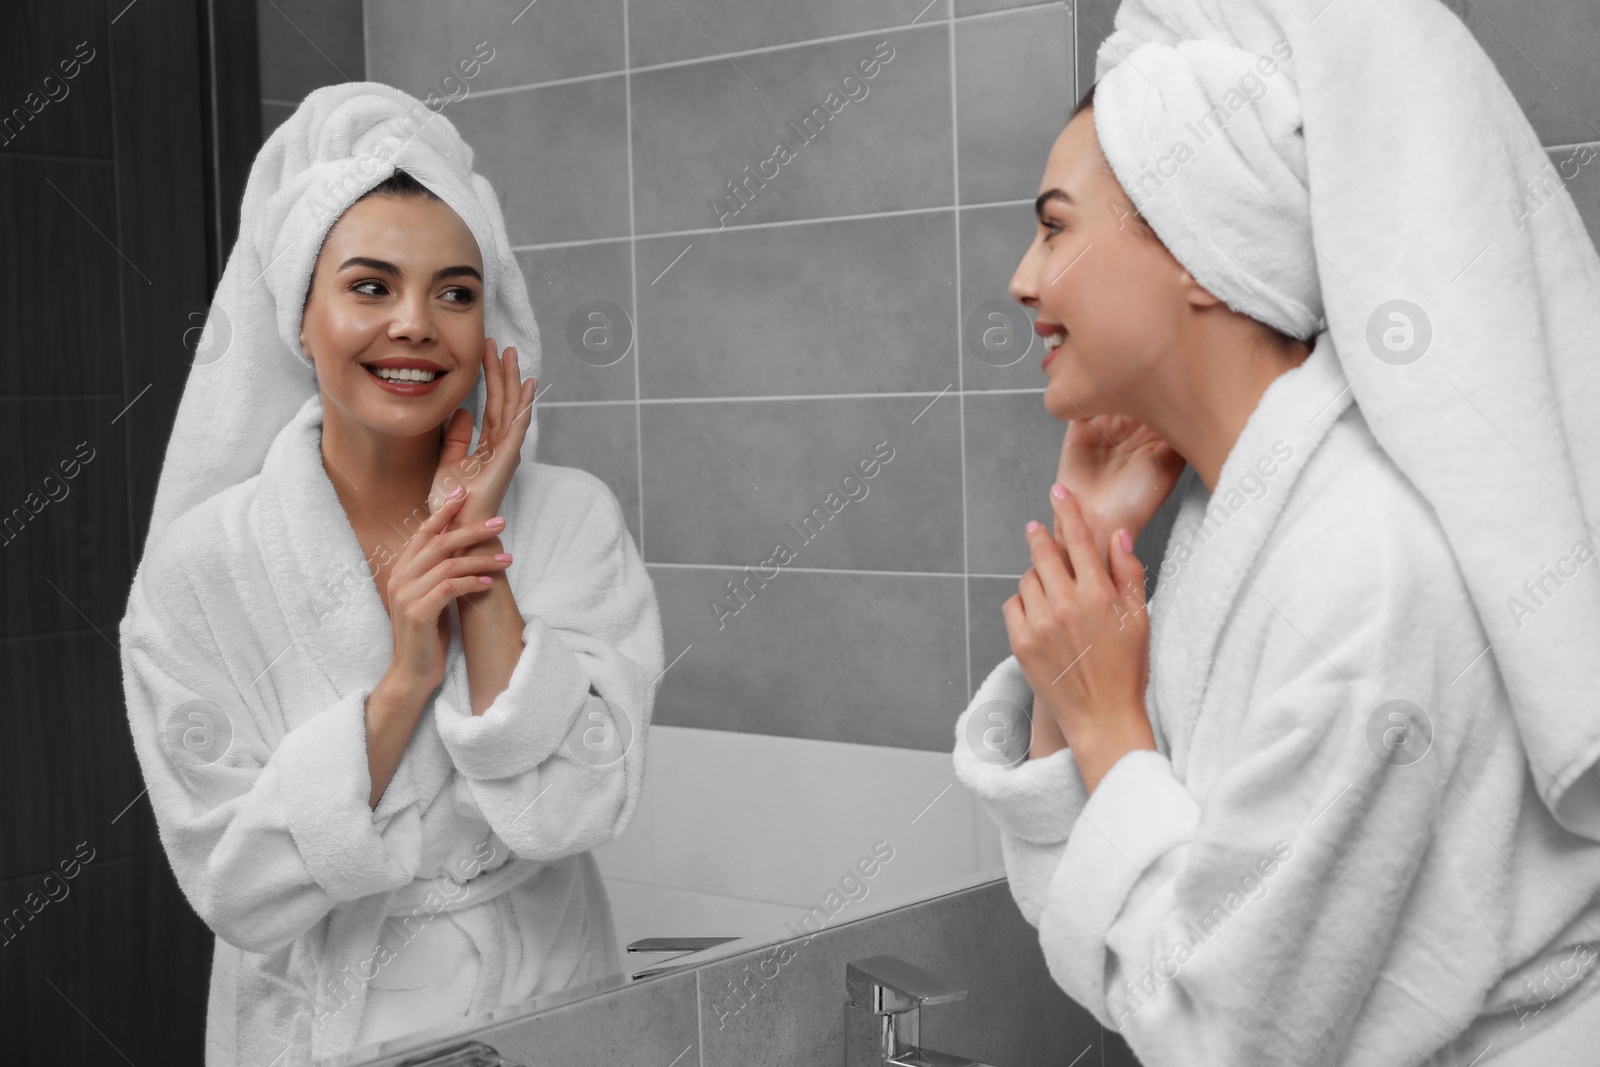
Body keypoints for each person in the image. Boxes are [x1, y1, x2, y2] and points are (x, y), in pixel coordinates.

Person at [951, 1, 1600, 1063]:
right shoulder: (1238, 517)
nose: (1023, 277)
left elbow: (1223, 1035)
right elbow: (1110, 926)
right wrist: (1091, 553)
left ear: (1199, 247)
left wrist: (1108, 719)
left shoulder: (1365, 564)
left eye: (1056, 224)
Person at [119, 84, 663, 1066]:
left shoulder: (571, 519)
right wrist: (408, 676)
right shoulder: (198, 575)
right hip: (327, 1030)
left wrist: (476, 554)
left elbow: (577, 806)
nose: (415, 323)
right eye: (370, 286)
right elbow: (236, 885)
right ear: (299, 315)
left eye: (455, 291)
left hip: (550, 1010)